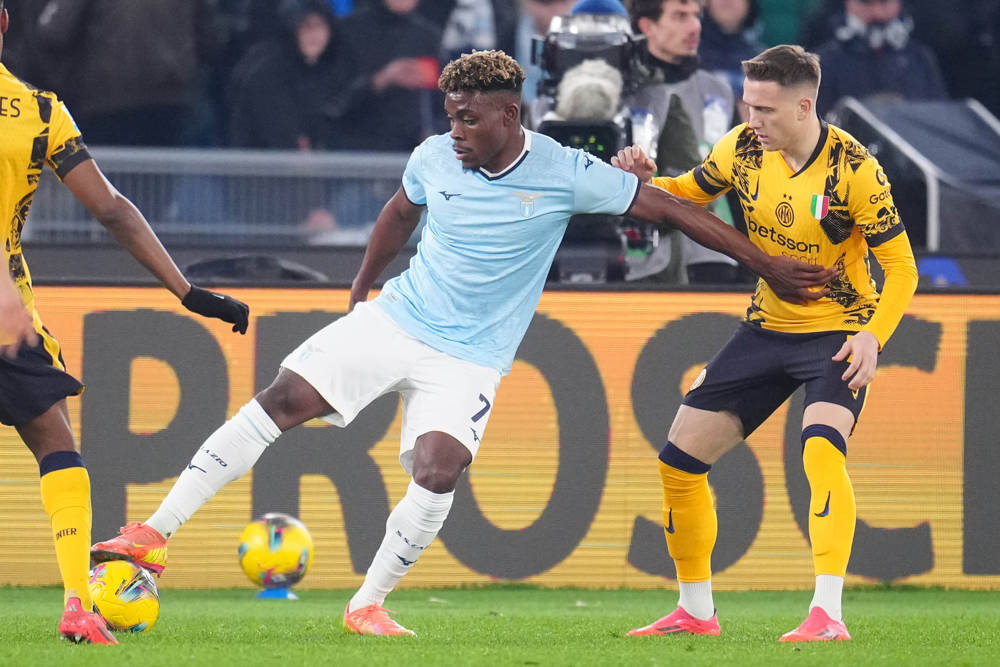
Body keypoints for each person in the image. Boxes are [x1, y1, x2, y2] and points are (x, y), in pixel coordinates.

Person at [91, 49, 834, 637]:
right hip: (402, 316)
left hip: (471, 355)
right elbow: (397, 213)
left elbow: (671, 210)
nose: (456, 132)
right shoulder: (433, 155)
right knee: (286, 397)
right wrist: (360, 287)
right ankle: (153, 532)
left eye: (470, 119)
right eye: (450, 117)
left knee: (441, 468)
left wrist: (766, 262)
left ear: (510, 115)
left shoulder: (565, 171)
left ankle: (368, 604)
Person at [612, 44, 918, 641]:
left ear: (806, 106)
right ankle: (696, 611)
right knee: (678, 462)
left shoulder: (854, 171)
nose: (752, 119)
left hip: (835, 333)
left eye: (765, 109)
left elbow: (902, 269)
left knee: (821, 450)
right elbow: (689, 193)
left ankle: (827, 614)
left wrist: (872, 337)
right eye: (747, 106)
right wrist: (649, 180)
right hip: (766, 328)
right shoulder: (743, 147)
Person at [0, 1, 250, 645]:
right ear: (6, 24)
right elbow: (110, 209)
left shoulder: (44, 110)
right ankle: (77, 603)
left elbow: (112, 208)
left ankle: (78, 603)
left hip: (7, 308)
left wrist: (189, 291)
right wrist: (185, 288)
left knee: (56, 438)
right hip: (6, 309)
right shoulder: (39, 110)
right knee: (54, 443)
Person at [625, 0, 740, 284]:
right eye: (679, 16)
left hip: (714, 257)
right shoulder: (625, 94)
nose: (694, 26)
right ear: (647, 26)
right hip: (644, 261)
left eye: (695, 16)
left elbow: (743, 181)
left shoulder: (719, 91)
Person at [811, 0, 947, 118]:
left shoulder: (919, 58)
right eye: (865, 2)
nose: (877, 13)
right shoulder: (825, 62)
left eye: (884, 2)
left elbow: (939, 119)